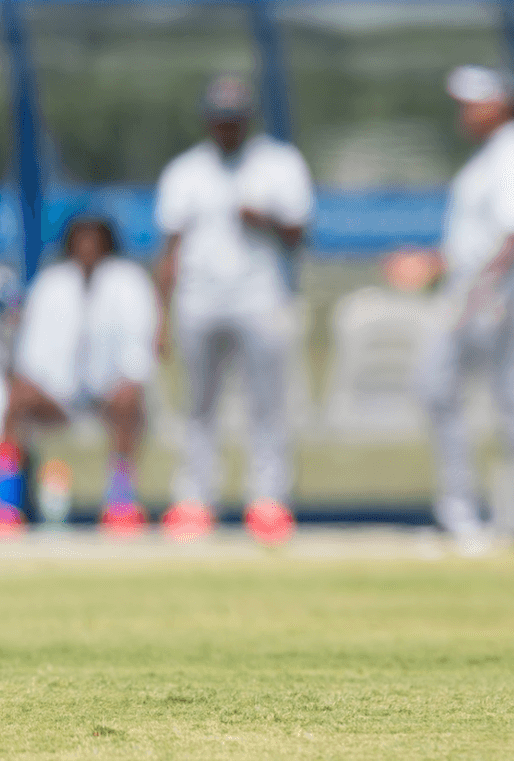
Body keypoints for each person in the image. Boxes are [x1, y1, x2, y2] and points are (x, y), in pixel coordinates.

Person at [154, 74, 314, 545]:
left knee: (266, 404)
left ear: (248, 120)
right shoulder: (185, 171)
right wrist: (159, 317)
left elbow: (300, 234)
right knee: (198, 405)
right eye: (220, 120)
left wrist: (262, 219)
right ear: (208, 120)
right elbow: (171, 248)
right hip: (198, 301)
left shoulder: (279, 164)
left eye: (235, 120)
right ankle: (195, 501)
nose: (227, 128)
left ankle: (267, 502)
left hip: (259, 298)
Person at [415, 65, 514, 548]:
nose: (465, 114)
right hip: (475, 289)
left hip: (495, 294)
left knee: (513, 399)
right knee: (441, 390)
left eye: (473, 103)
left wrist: (483, 289)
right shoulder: (493, 153)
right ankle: (465, 512)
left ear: (501, 104)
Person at [0, 214, 157, 534]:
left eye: (94, 240)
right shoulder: (51, 283)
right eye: (80, 240)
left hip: (110, 394)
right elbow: (32, 354)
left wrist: (122, 382)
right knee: (17, 399)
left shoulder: (130, 281)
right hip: (59, 394)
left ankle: (121, 502)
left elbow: (139, 349)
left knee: (130, 397)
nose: (87, 248)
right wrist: (37, 385)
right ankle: (7, 501)